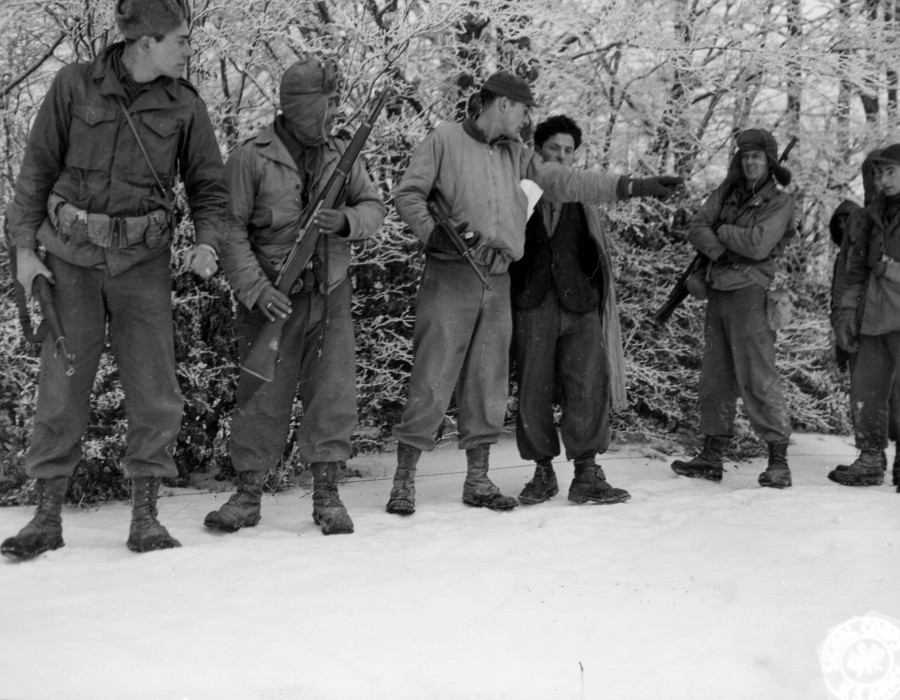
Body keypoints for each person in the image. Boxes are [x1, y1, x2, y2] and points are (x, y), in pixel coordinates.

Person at [386, 71, 681, 514]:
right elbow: (408, 195)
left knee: (488, 382)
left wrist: (630, 186)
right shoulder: (444, 140)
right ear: (502, 104)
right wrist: (432, 234)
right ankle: (404, 481)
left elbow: (566, 181)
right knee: (432, 376)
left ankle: (478, 481)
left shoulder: (517, 156)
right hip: (451, 276)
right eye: (523, 110)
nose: (526, 120)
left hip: (499, 279)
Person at [1, 0, 228, 560]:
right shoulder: (73, 87)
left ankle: (145, 519)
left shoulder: (185, 106)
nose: (188, 49)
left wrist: (205, 241)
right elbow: (35, 172)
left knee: (155, 390)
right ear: (145, 43)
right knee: (62, 386)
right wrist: (23, 253)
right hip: (69, 262)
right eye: (180, 40)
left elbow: (209, 187)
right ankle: (47, 517)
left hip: (141, 267)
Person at [203, 58, 385, 535]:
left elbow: (374, 208)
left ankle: (326, 496)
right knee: (261, 397)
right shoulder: (250, 157)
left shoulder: (342, 152)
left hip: (330, 294)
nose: (334, 112)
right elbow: (229, 231)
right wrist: (257, 290)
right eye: (327, 103)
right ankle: (247, 496)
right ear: (303, 106)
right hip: (270, 299)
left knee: (332, 394)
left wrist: (345, 221)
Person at [509, 115, 630, 506]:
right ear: (538, 150)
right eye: (553, 149)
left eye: (568, 150)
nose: (561, 156)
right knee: (533, 388)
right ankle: (542, 471)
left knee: (588, 386)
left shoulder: (583, 196)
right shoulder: (520, 191)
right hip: (532, 302)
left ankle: (587, 473)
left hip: (579, 305)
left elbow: (594, 250)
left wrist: (595, 299)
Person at [671, 128, 795, 488]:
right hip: (718, 291)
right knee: (715, 377)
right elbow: (697, 225)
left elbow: (758, 245)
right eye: (745, 157)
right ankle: (711, 455)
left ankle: (778, 460)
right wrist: (723, 249)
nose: (751, 162)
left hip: (751, 294)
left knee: (758, 376)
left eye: (757, 156)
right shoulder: (727, 192)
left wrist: (721, 231)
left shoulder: (780, 201)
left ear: (770, 161)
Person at [831, 143, 900, 491]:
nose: (882, 179)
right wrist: (845, 317)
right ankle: (870, 459)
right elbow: (852, 272)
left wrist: (891, 270)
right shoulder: (865, 217)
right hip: (870, 317)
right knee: (867, 390)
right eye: (878, 172)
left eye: (890, 171)